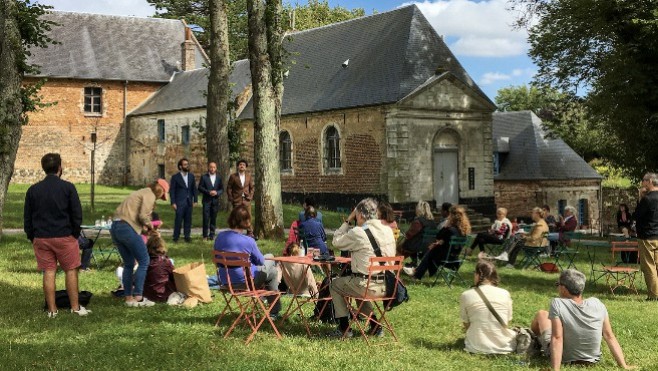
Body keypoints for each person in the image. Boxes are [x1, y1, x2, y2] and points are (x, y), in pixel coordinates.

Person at [24, 153, 89, 317]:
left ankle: (52, 310)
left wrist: (32, 236)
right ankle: (75, 307)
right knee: (71, 270)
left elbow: (27, 218)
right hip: (65, 236)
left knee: (49, 271)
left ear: (43, 168)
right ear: (60, 168)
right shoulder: (68, 188)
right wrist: (74, 234)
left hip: (41, 237)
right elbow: (77, 214)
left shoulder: (33, 190)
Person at [531, 269, 633, 370]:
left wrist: (555, 369)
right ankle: (537, 340)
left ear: (563, 288)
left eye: (558, 284)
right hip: (592, 360)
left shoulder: (557, 303)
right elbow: (609, 336)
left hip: (565, 358)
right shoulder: (597, 303)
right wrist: (624, 365)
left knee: (542, 315)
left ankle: (536, 340)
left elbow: (557, 338)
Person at [329, 198, 396, 338]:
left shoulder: (358, 232)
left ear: (359, 214)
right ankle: (375, 327)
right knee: (358, 284)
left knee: (335, 285)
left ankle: (344, 328)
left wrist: (348, 220)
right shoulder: (388, 231)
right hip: (388, 286)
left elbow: (336, 242)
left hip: (367, 286)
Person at [214, 205, 281, 317]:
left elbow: (218, 262)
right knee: (270, 257)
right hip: (247, 283)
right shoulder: (248, 241)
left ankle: (274, 310)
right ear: (246, 221)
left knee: (273, 272)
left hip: (225, 281)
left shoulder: (220, 237)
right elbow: (260, 261)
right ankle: (274, 312)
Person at [111, 178, 169, 307]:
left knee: (129, 263)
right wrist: (152, 228)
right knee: (144, 260)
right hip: (126, 228)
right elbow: (143, 216)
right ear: (160, 190)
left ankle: (128, 298)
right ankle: (138, 296)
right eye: (162, 195)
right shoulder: (150, 195)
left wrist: (146, 230)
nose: (159, 198)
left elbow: (133, 219)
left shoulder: (140, 192)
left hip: (115, 227)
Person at [460, 260, 516, 354]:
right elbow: (507, 322)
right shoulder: (505, 293)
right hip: (504, 346)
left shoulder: (466, 295)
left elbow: (466, 324)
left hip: (475, 346)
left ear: (478, 275)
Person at [404, 206, 471, 279]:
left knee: (431, 253)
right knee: (432, 251)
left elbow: (438, 236)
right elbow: (445, 242)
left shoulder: (450, 230)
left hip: (446, 258)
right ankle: (416, 272)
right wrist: (439, 243)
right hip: (455, 257)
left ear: (452, 217)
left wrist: (445, 227)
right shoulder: (463, 232)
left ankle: (416, 273)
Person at [633, 172, 658, 300]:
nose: (642, 183)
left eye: (643, 180)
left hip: (647, 237)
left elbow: (636, 215)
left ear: (649, 182)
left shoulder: (648, 199)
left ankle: (654, 296)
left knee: (649, 266)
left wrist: (640, 197)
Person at [398, 201, 437, 268]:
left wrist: (404, 235)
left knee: (400, 246)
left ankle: (395, 263)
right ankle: (414, 263)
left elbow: (409, 234)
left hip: (417, 246)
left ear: (419, 209)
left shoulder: (418, 221)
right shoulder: (433, 222)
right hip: (429, 246)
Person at [169, 158, 197, 243]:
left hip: (189, 202)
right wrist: (173, 202)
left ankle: (187, 236)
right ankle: (176, 237)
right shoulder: (175, 177)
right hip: (179, 202)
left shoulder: (191, 176)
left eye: (187, 164)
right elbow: (172, 190)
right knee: (178, 220)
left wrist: (195, 200)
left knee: (188, 220)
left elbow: (194, 189)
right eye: (185, 164)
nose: (187, 166)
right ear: (180, 166)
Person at [143, 234, 177, 302]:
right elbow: (175, 277)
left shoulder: (144, 262)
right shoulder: (166, 262)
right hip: (163, 295)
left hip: (147, 295)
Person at [198, 161, 224, 241]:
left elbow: (222, 189)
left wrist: (217, 193)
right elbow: (200, 187)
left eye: (214, 167)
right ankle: (205, 235)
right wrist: (208, 192)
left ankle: (212, 235)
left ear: (216, 168)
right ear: (208, 168)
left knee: (213, 218)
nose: (212, 169)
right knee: (206, 218)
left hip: (215, 201)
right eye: (211, 167)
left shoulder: (219, 178)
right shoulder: (204, 177)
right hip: (206, 201)